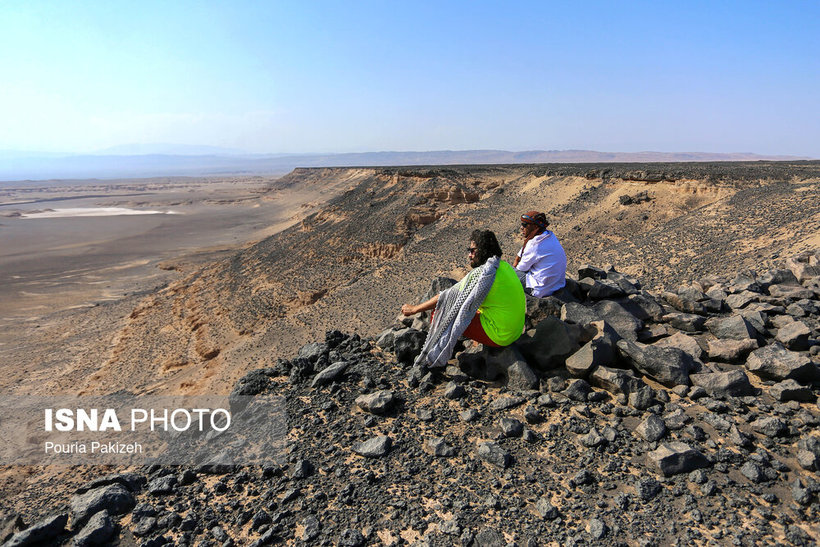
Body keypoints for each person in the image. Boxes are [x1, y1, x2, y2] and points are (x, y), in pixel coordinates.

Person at [401, 230, 525, 368]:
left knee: (439, 313)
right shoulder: (504, 266)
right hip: (516, 331)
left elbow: (446, 297)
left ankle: (439, 354)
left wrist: (414, 309)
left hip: (501, 335)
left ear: (483, 250)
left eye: (472, 250)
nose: (469, 255)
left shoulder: (482, 274)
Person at [513, 211, 567, 297]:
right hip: (557, 285)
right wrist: (517, 259)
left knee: (506, 273)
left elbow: (521, 269)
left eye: (525, 225)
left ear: (534, 226)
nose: (521, 228)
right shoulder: (549, 235)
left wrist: (514, 267)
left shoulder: (534, 245)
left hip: (540, 289)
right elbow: (521, 254)